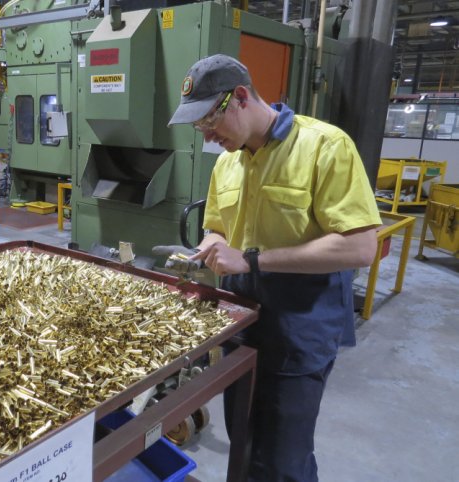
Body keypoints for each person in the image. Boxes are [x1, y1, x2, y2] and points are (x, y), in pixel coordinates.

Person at [163, 54, 381, 481]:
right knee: (246, 442)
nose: (208, 137)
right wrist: (209, 248)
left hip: (301, 328)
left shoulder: (325, 146)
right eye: (199, 128)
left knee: (283, 456)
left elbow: (359, 247)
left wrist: (251, 259)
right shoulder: (227, 163)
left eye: (210, 122)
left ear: (240, 97)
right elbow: (218, 230)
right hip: (243, 325)